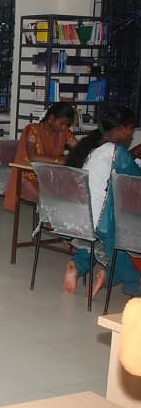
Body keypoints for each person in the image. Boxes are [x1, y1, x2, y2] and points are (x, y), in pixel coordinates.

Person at [63, 107, 141, 298]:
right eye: (131, 129)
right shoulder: (118, 153)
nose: (132, 134)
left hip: (82, 218)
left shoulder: (96, 150)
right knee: (131, 241)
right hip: (102, 222)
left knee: (96, 244)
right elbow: (136, 181)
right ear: (121, 129)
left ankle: (78, 265)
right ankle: (117, 281)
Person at [3, 102, 78, 212]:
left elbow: (78, 149)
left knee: (76, 190)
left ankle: (62, 224)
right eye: (62, 124)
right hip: (29, 176)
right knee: (52, 195)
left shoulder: (63, 132)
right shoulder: (32, 130)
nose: (64, 127)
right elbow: (33, 157)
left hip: (51, 174)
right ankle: (52, 222)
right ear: (51, 118)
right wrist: (59, 160)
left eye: (67, 125)